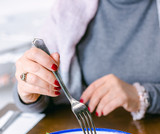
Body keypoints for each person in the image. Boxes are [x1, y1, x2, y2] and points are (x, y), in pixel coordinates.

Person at [14, 0, 160, 120]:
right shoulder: (68, 7)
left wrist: (142, 95)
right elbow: (37, 94)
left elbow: (143, 96)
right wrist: (29, 90)